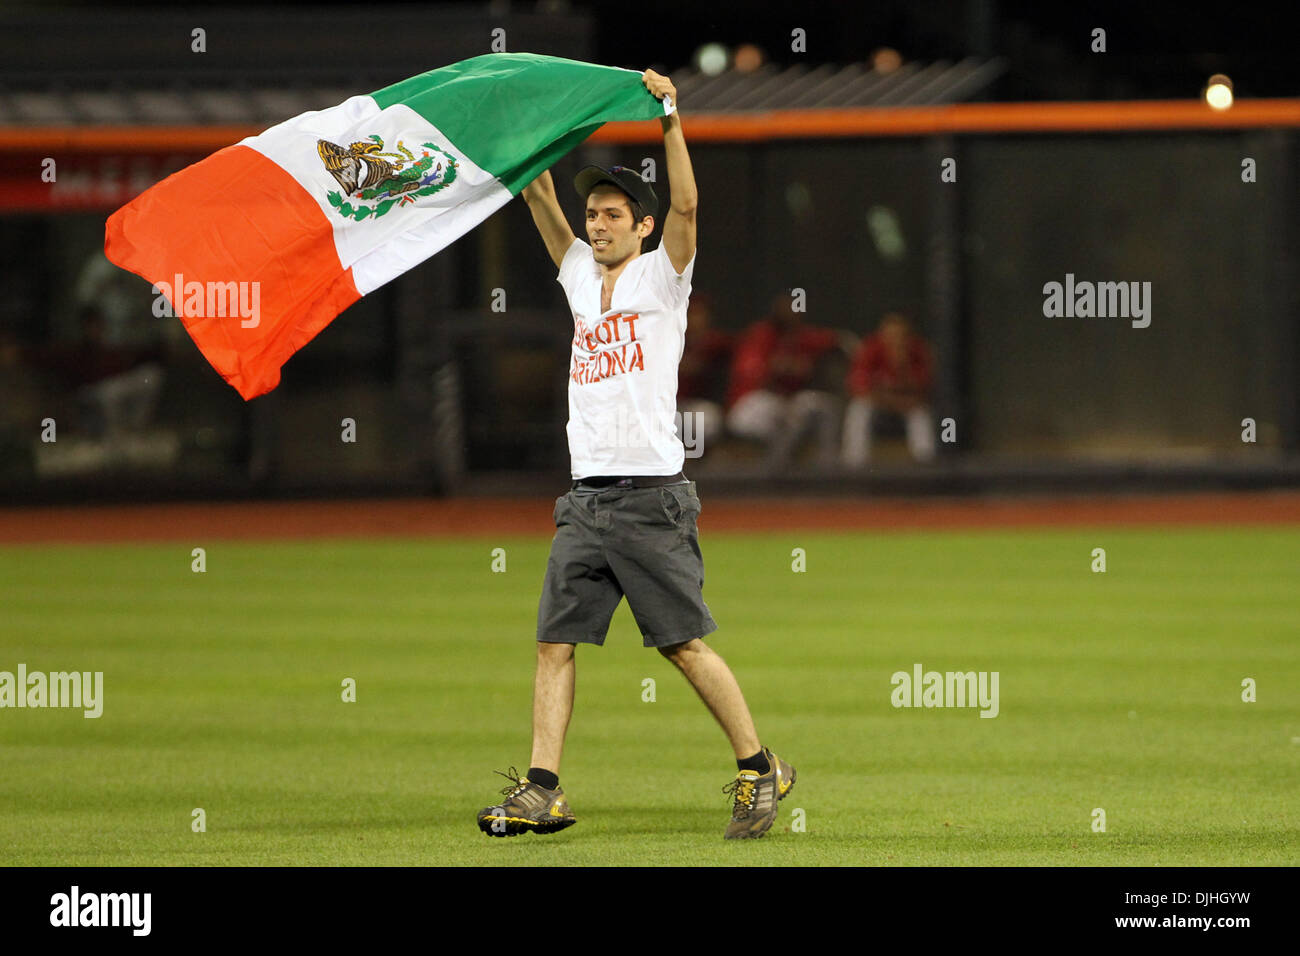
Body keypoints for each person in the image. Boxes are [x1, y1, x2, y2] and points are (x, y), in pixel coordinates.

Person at [476, 68, 795, 841]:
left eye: (614, 214)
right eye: (594, 213)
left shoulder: (664, 276)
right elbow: (537, 197)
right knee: (555, 645)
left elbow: (687, 201)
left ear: (642, 227)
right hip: (586, 500)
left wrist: (671, 118)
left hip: (650, 497)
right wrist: (525, 119)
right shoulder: (580, 275)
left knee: (683, 646)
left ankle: (761, 769)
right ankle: (544, 790)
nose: (598, 224)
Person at [725, 295, 842, 468]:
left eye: (795, 310)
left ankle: (829, 471)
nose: (791, 314)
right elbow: (751, 374)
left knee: (817, 408)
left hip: (783, 405)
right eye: (786, 309)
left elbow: (832, 339)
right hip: (750, 406)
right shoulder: (761, 334)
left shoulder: (802, 336)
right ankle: (773, 472)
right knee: (788, 419)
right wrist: (779, 368)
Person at [841, 312, 936, 466]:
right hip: (880, 407)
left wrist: (902, 367)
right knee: (859, 409)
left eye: (901, 335)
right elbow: (858, 388)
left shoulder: (917, 351)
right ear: (882, 335)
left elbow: (924, 389)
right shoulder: (871, 348)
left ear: (908, 337)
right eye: (891, 335)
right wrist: (890, 399)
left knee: (920, 414)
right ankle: (855, 465)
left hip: (906, 407)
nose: (896, 339)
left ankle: (925, 465)